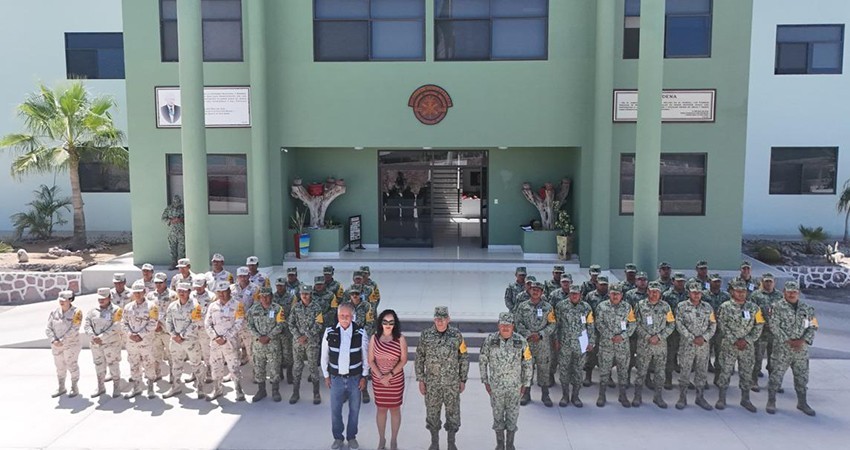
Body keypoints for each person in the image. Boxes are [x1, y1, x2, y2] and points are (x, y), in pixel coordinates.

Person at [415, 306, 469, 450]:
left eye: (443, 318)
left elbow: (463, 357)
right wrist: (421, 379)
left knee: (453, 415)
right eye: (438, 319)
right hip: (432, 384)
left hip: (452, 383)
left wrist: (463, 379)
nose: (440, 322)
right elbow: (419, 357)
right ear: (434, 319)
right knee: (432, 414)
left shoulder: (456, 335)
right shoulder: (425, 335)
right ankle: (434, 443)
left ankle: (451, 443)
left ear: (448, 319)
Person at [480, 312, 532, 450]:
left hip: (515, 388)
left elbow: (528, 363)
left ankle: (510, 444)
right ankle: (499, 444)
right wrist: (485, 381)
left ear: (513, 326)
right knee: (497, 416)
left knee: (512, 416)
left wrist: (526, 384)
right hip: (496, 388)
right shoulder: (490, 340)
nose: (505, 328)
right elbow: (483, 361)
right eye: (502, 325)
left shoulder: (521, 341)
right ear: (498, 325)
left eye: (508, 325)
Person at [321, 302, 370, 450]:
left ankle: (351, 437)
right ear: (337, 316)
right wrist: (326, 375)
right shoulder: (329, 332)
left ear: (352, 316)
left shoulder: (360, 333)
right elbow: (324, 356)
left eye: (347, 316)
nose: (344, 318)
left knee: (354, 411)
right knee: (335, 411)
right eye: (342, 315)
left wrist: (364, 377)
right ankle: (338, 437)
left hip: (355, 379)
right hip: (336, 379)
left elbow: (366, 358)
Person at [767, 280, 818, 416]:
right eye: (789, 292)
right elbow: (773, 326)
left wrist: (803, 340)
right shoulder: (776, 307)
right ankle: (771, 401)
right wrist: (788, 340)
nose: (791, 294)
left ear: (798, 293)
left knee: (802, 377)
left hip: (801, 350)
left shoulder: (808, 309)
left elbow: (813, 326)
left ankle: (802, 402)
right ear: (784, 292)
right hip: (782, 349)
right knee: (776, 376)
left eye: (794, 292)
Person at [715, 280, 764, 412]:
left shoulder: (754, 308)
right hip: (729, 345)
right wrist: (734, 340)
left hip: (747, 347)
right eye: (738, 291)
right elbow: (721, 324)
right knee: (725, 371)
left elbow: (759, 325)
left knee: (746, 373)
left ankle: (745, 399)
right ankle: (722, 398)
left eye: (743, 291)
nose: (741, 294)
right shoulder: (725, 307)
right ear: (732, 292)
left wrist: (747, 340)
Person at [368, 309, 408, 450]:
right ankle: (382, 440)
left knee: (395, 409)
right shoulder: (374, 338)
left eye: (391, 322)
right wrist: (380, 376)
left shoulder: (400, 339)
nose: (388, 325)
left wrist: (389, 375)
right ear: (381, 323)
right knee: (381, 409)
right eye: (385, 322)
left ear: (395, 324)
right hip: (379, 381)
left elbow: (404, 360)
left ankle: (393, 440)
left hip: (395, 380)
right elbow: (371, 360)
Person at [632, 281, 674, 408]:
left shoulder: (666, 307)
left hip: (660, 346)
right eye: (652, 291)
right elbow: (635, 323)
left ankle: (658, 396)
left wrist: (659, 337)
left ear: (660, 293)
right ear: (647, 292)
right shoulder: (640, 305)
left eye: (657, 291)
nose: (654, 293)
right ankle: (637, 396)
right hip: (644, 345)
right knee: (641, 371)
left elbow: (671, 324)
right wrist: (647, 336)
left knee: (660, 372)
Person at [675, 283, 716, 410]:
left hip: (703, 346)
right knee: (685, 371)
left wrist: (704, 338)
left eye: (698, 292)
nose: (696, 294)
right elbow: (679, 324)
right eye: (694, 292)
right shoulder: (682, 307)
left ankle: (700, 397)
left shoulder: (708, 307)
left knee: (702, 372)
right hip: (687, 345)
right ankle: (682, 397)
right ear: (689, 293)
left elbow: (713, 324)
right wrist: (693, 337)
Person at [514, 280, 556, 407]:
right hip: (527, 344)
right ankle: (526, 394)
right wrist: (528, 334)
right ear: (529, 290)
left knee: (544, 369)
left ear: (542, 292)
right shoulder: (522, 306)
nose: (535, 291)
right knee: (527, 369)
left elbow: (552, 324)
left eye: (538, 290)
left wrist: (541, 334)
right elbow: (518, 322)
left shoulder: (548, 308)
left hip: (543, 344)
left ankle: (545, 394)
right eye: (533, 289)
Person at [594, 283, 636, 408]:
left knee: (623, 371)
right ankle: (602, 395)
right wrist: (610, 335)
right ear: (609, 294)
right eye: (613, 293)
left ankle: (622, 395)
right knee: (604, 370)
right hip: (606, 344)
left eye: (618, 294)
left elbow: (632, 324)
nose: (615, 296)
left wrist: (622, 336)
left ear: (622, 295)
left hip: (622, 345)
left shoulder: (627, 307)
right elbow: (599, 323)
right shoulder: (602, 306)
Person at [205, 280, 246, 402]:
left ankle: (238, 390)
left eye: (224, 292)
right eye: (219, 292)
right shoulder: (213, 306)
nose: (222, 295)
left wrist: (225, 337)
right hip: (215, 343)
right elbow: (207, 323)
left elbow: (240, 322)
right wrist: (215, 337)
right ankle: (217, 389)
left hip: (230, 342)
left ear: (229, 291)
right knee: (216, 366)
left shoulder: (237, 305)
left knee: (234, 367)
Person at [553, 285, 594, 407]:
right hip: (565, 344)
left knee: (578, 370)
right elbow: (556, 325)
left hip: (581, 345)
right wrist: (556, 340)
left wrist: (591, 342)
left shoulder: (586, 307)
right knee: (564, 370)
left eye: (576, 294)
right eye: (572, 293)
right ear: (569, 294)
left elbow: (590, 325)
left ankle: (576, 396)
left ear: (580, 294)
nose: (574, 296)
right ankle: (565, 395)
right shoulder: (561, 306)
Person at [164, 282, 205, 399]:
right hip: (175, 341)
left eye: (184, 291)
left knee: (196, 364)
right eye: (179, 291)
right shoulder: (172, 306)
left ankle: (200, 385)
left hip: (190, 340)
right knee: (176, 365)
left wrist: (181, 335)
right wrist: (173, 334)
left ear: (189, 292)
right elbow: (168, 321)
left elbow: (196, 323)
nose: (181, 293)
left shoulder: (195, 306)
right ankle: (176, 386)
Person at [247, 287, 285, 402]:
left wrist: (269, 336)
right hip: (258, 345)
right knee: (259, 368)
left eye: (267, 295)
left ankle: (275, 390)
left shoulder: (278, 309)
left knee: (275, 368)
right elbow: (249, 325)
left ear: (272, 296)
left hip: (273, 344)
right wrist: (259, 336)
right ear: (259, 297)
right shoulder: (253, 310)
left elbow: (281, 324)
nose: (265, 298)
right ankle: (261, 390)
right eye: (262, 296)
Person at [122, 280, 159, 399]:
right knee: (134, 364)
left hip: (145, 342)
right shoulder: (128, 307)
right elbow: (123, 323)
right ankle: (136, 387)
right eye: (135, 292)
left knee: (148, 363)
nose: (137, 295)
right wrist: (130, 334)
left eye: (139, 292)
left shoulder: (152, 306)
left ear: (144, 292)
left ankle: (150, 387)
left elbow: (153, 323)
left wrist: (140, 335)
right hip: (132, 342)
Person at [289, 283, 325, 404]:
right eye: (303, 294)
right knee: (297, 367)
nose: (305, 296)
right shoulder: (295, 307)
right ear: (300, 294)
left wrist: (306, 336)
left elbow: (319, 324)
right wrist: (299, 336)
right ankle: (295, 392)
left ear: (311, 295)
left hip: (312, 343)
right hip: (298, 342)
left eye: (307, 294)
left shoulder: (317, 307)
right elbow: (291, 323)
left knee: (313, 367)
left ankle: (316, 393)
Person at [84, 287, 123, 398]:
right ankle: (100, 386)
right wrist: (92, 336)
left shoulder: (116, 310)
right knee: (99, 365)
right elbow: (87, 324)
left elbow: (116, 326)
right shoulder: (93, 311)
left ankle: (116, 387)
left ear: (109, 298)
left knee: (113, 364)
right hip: (96, 345)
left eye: (104, 298)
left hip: (111, 344)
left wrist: (101, 337)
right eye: (99, 298)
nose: (101, 301)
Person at [750, 272, 783, 392]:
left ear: (774, 282)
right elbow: (753, 311)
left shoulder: (779, 296)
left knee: (774, 359)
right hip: (761, 333)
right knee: (757, 358)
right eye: (766, 281)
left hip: (775, 333)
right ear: (762, 282)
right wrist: (762, 323)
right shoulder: (756, 295)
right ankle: (753, 381)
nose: (768, 283)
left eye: (770, 281)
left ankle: (774, 382)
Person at [46, 290, 82, 398]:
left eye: (64, 300)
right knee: (60, 366)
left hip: (71, 344)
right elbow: (48, 328)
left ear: (70, 300)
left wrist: (62, 340)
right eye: (60, 300)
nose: (61, 302)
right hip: (56, 345)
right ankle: (61, 387)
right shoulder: (54, 312)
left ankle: (74, 386)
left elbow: (75, 328)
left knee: (72, 365)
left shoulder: (77, 312)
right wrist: (53, 340)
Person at [661, 272, 689, 389]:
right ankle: (668, 378)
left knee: (685, 356)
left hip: (686, 330)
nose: (680, 283)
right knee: (670, 355)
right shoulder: (667, 295)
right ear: (673, 282)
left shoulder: (689, 295)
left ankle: (685, 379)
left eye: (682, 281)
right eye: (678, 281)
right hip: (672, 330)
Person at [147, 272, 176, 382]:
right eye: (156, 282)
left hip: (168, 330)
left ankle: (173, 376)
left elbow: (175, 312)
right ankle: (157, 373)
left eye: (160, 283)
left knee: (171, 355)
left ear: (165, 282)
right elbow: (148, 312)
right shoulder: (150, 296)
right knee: (155, 354)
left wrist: (163, 324)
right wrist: (155, 324)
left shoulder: (173, 295)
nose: (158, 285)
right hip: (155, 330)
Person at [272, 277, 296, 384]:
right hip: (275, 330)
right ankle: (279, 372)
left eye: (281, 285)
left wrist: (284, 324)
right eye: (278, 285)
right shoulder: (272, 297)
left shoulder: (292, 297)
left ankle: (289, 373)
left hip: (286, 330)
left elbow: (293, 313)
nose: (279, 287)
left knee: (288, 353)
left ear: (285, 286)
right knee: (277, 352)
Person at [161, 195, 185, 268]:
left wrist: (181, 219)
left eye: (178, 202)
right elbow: (163, 219)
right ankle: (173, 263)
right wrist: (171, 220)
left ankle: (182, 264)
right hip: (172, 232)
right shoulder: (169, 209)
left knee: (182, 249)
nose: (176, 203)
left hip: (181, 231)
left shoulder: (183, 208)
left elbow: (189, 217)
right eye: (175, 202)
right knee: (172, 248)